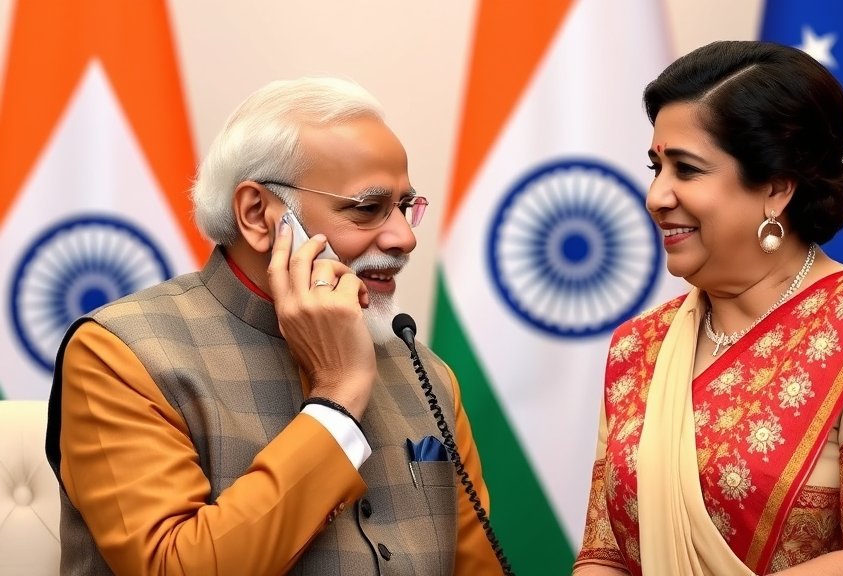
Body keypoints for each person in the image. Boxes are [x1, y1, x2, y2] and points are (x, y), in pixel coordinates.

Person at [573, 41, 843, 575]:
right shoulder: (640, 345)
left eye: (685, 170)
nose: (656, 196)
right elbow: (605, 555)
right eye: (656, 168)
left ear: (776, 190)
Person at [45, 77, 504, 575]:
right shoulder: (120, 355)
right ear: (258, 215)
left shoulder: (427, 375)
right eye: (367, 209)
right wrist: (337, 398)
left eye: (405, 207)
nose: (403, 239)